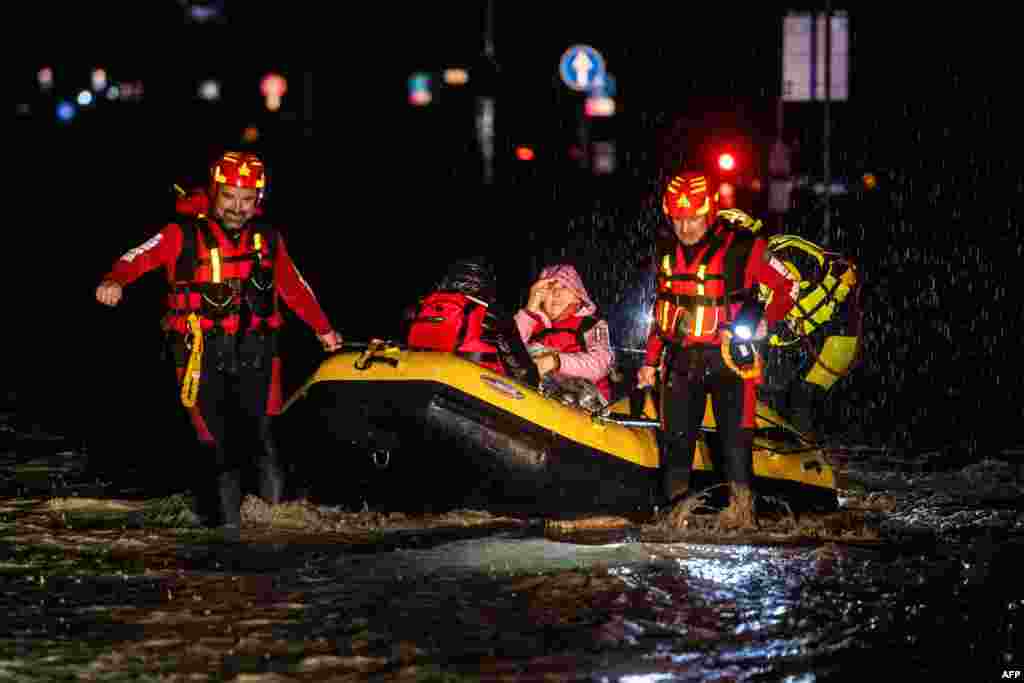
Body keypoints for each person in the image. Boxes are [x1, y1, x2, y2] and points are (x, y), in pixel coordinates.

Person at [95, 151, 342, 540]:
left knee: (265, 439)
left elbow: (294, 287)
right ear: (214, 192)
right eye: (229, 197)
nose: (238, 208)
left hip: (257, 352)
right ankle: (226, 538)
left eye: (247, 199)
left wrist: (324, 329)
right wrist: (114, 281)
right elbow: (135, 258)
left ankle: (278, 534)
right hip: (198, 353)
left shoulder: (269, 239)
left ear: (258, 200)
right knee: (216, 444)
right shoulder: (180, 234)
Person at [637, 171, 800, 529]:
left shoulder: (745, 245)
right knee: (676, 446)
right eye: (678, 218)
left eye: (693, 217)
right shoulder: (665, 249)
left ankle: (743, 517)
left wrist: (766, 322)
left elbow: (789, 283)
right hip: (681, 360)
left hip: (731, 360)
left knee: (735, 447)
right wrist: (649, 362)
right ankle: (674, 521)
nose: (686, 227)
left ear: (710, 210)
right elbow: (663, 311)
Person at [405, 256, 539, 387]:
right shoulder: (494, 316)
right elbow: (525, 375)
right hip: (468, 389)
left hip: (418, 379)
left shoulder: (424, 305)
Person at [515, 264, 615, 408]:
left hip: (585, 405)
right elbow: (509, 348)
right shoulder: (532, 323)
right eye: (550, 288)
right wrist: (530, 309)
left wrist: (555, 361)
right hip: (537, 397)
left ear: (577, 297)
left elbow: (601, 363)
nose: (556, 293)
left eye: (564, 287)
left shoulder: (592, 325)